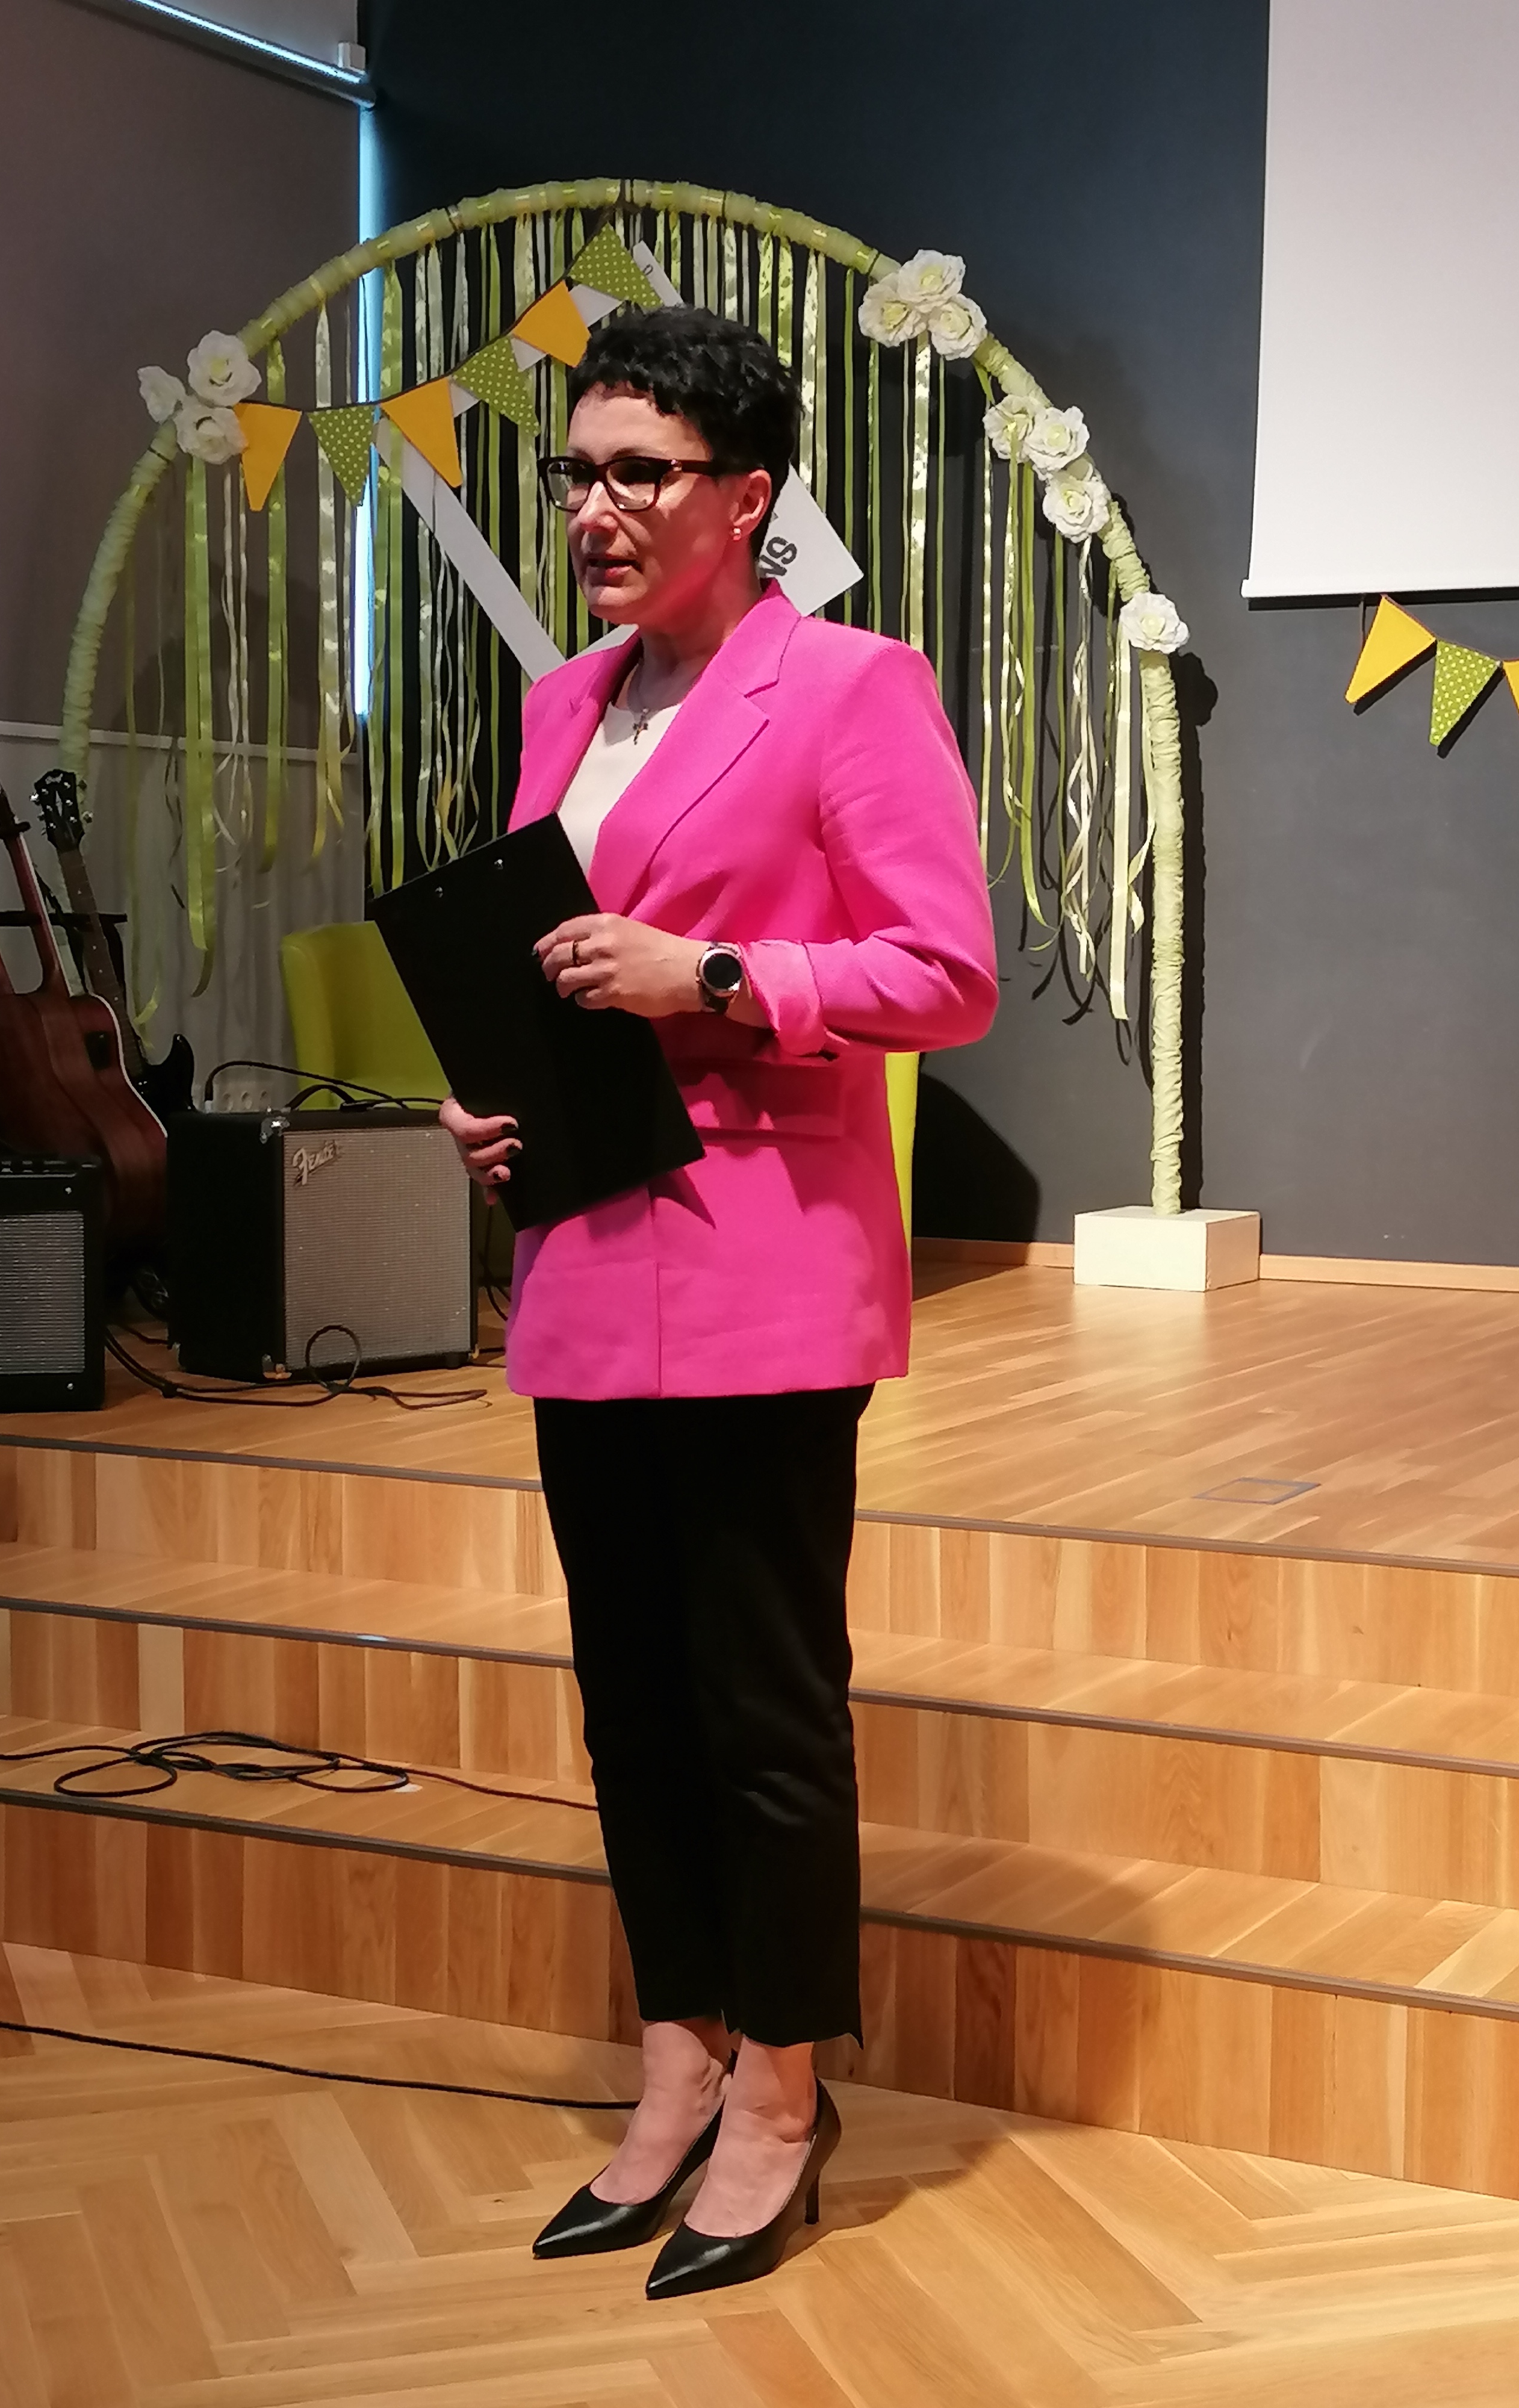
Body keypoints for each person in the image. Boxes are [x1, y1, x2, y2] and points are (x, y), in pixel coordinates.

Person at [440, 306, 997, 2300]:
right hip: (587, 1258)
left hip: (766, 1271)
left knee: (764, 1707)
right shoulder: (560, 703)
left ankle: (780, 2090)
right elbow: (553, 960)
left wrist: (726, 979)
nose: (595, 509)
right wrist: (496, 1100)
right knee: (630, 1698)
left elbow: (946, 973)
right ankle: (673, 2054)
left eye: (640, 473)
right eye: (577, 472)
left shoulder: (853, 687)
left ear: (745, 496)